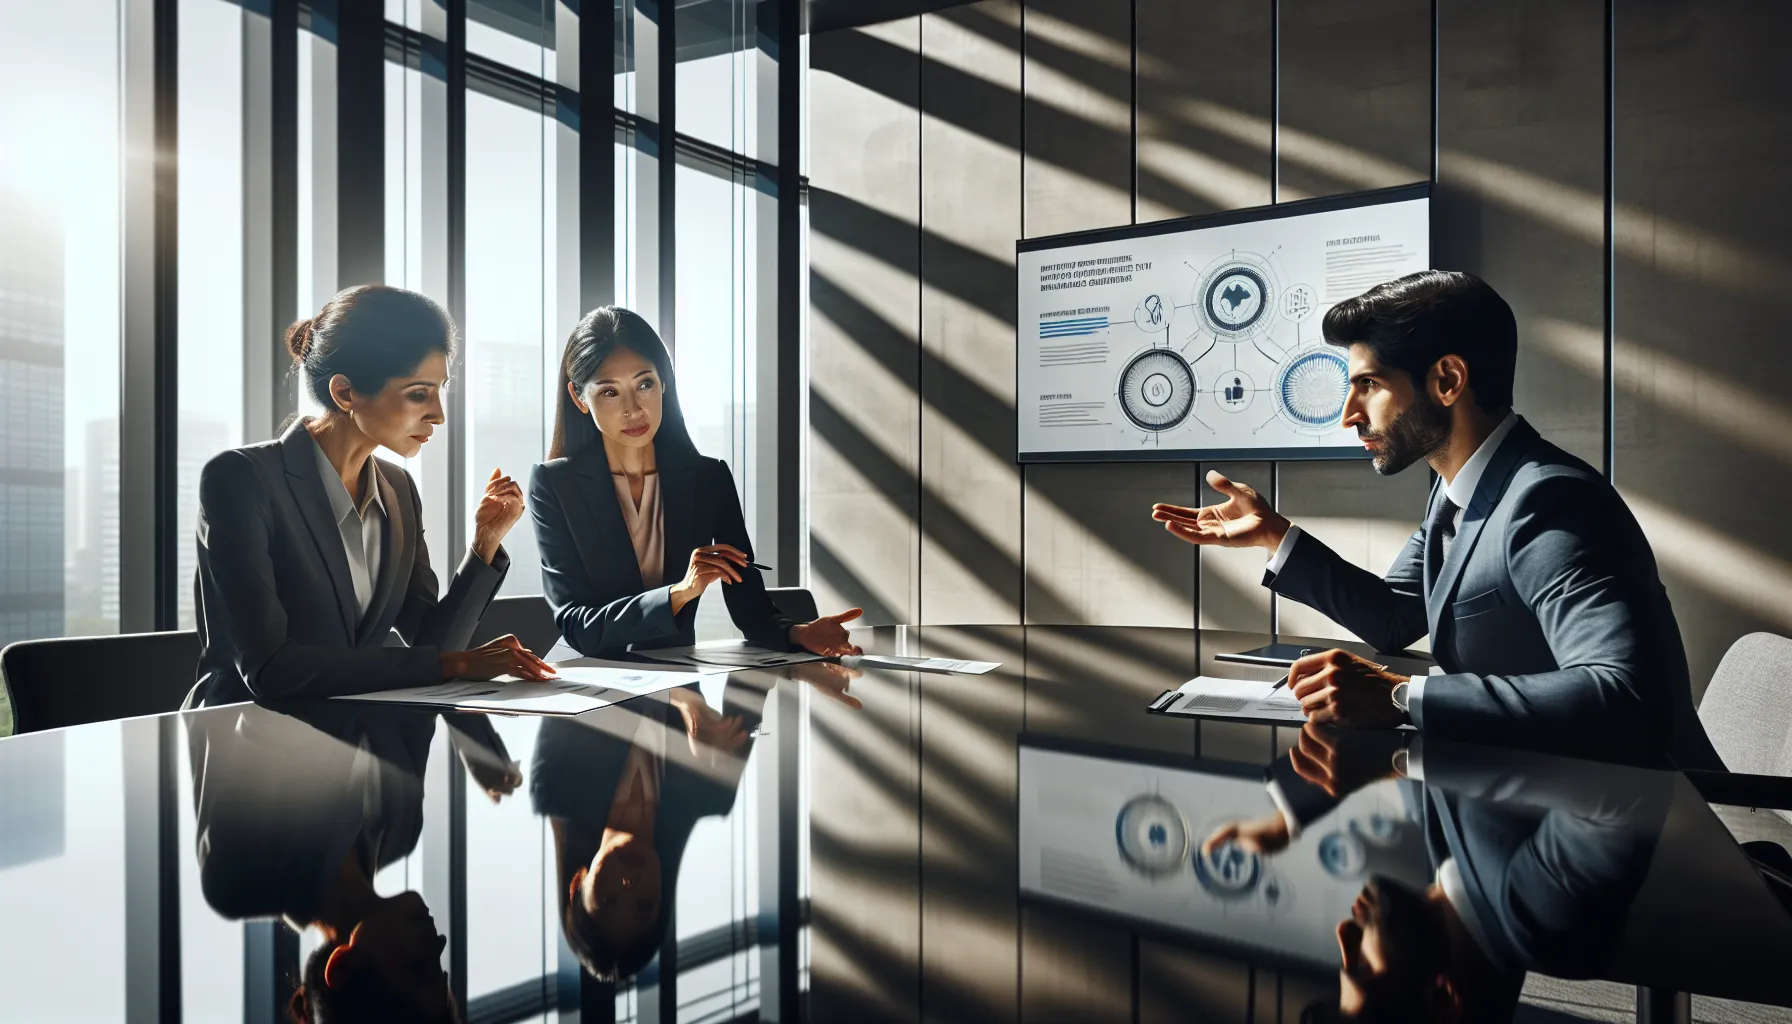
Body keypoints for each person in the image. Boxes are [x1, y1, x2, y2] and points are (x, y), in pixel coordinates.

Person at [1151, 270, 1721, 769]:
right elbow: (1397, 617)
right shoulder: (1458, 492)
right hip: (1533, 791)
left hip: (1643, 831)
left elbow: (1627, 698)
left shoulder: (1549, 500)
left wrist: (1403, 696)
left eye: (1368, 385)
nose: (1349, 415)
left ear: (1447, 380)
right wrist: (1275, 536)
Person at [190, 285, 556, 707]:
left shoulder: (398, 490)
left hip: (356, 742)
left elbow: (433, 645)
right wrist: (456, 666)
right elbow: (270, 670)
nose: (438, 413)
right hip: (242, 745)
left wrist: (484, 545)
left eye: (441, 390)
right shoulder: (240, 479)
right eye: (419, 393)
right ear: (345, 393)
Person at [531, 306, 862, 658]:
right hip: (586, 687)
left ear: (664, 384)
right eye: (610, 392)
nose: (633, 409)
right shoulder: (555, 484)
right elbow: (577, 625)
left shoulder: (708, 479)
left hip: (679, 683)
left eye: (645, 384)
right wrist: (681, 592)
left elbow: (752, 608)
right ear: (579, 398)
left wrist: (799, 633)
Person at [188, 702, 519, 1023]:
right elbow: (426, 684)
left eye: (420, 965)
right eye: (440, 965)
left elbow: (282, 694)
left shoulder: (239, 879)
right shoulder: (402, 829)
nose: (439, 943)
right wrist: (474, 738)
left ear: (344, 967)